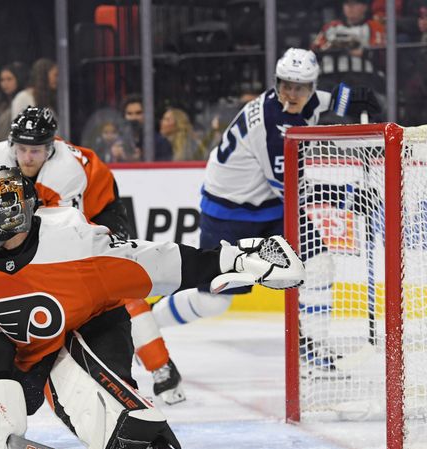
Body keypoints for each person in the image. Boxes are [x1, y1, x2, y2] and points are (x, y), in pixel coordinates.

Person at [0, 167, 304, 449]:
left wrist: (236, 260)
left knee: (95, 380)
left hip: (91, 322)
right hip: (23, 347)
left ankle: (140, 443)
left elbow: (158, 262)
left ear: (16, 216)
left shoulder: (75, 243)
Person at [151, 48, 380, 368]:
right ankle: (144, 325)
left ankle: (313, 352)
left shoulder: (306, 99)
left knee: (319, 264)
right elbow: (292, 191)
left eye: (300, 87)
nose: (291, 94)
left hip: (269, 207)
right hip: (230, 214)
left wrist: (357, 97)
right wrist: (348, 197)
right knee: (212, 301)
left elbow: (332, 100)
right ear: (276, 83)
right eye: (285, 85)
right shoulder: (273, 126)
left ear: (311, 86)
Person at [0, 106, 184, 402]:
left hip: (99, 210)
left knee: (116, 286)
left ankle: (161, 365)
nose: (26, 158)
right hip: (49, 212)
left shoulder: (66, 173)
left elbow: (68, 237)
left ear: (50, 149)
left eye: (35, 151)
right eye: (22, 149)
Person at [311, 0, 385, 55]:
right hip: (330, 70)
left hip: (363, 71)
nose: (350, 7)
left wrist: (361, 52)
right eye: (347, 3)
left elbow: (380, 52)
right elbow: (314, 49)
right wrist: (330, 48)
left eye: (355, 3)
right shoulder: (331, 26)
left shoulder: (374, 26)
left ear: (365, 7)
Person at [121, 94, 172, 161]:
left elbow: (163, 169)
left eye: (138, 113)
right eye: (129, 114)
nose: (134, 118)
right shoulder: (119, 141)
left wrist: (141, 159)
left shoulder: (159, 142)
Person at [0, 62, 28, 148]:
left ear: (18, 79)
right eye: (2, 80)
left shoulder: (23, 101)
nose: (5, 83)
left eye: (9, 79)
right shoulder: (3, 105)